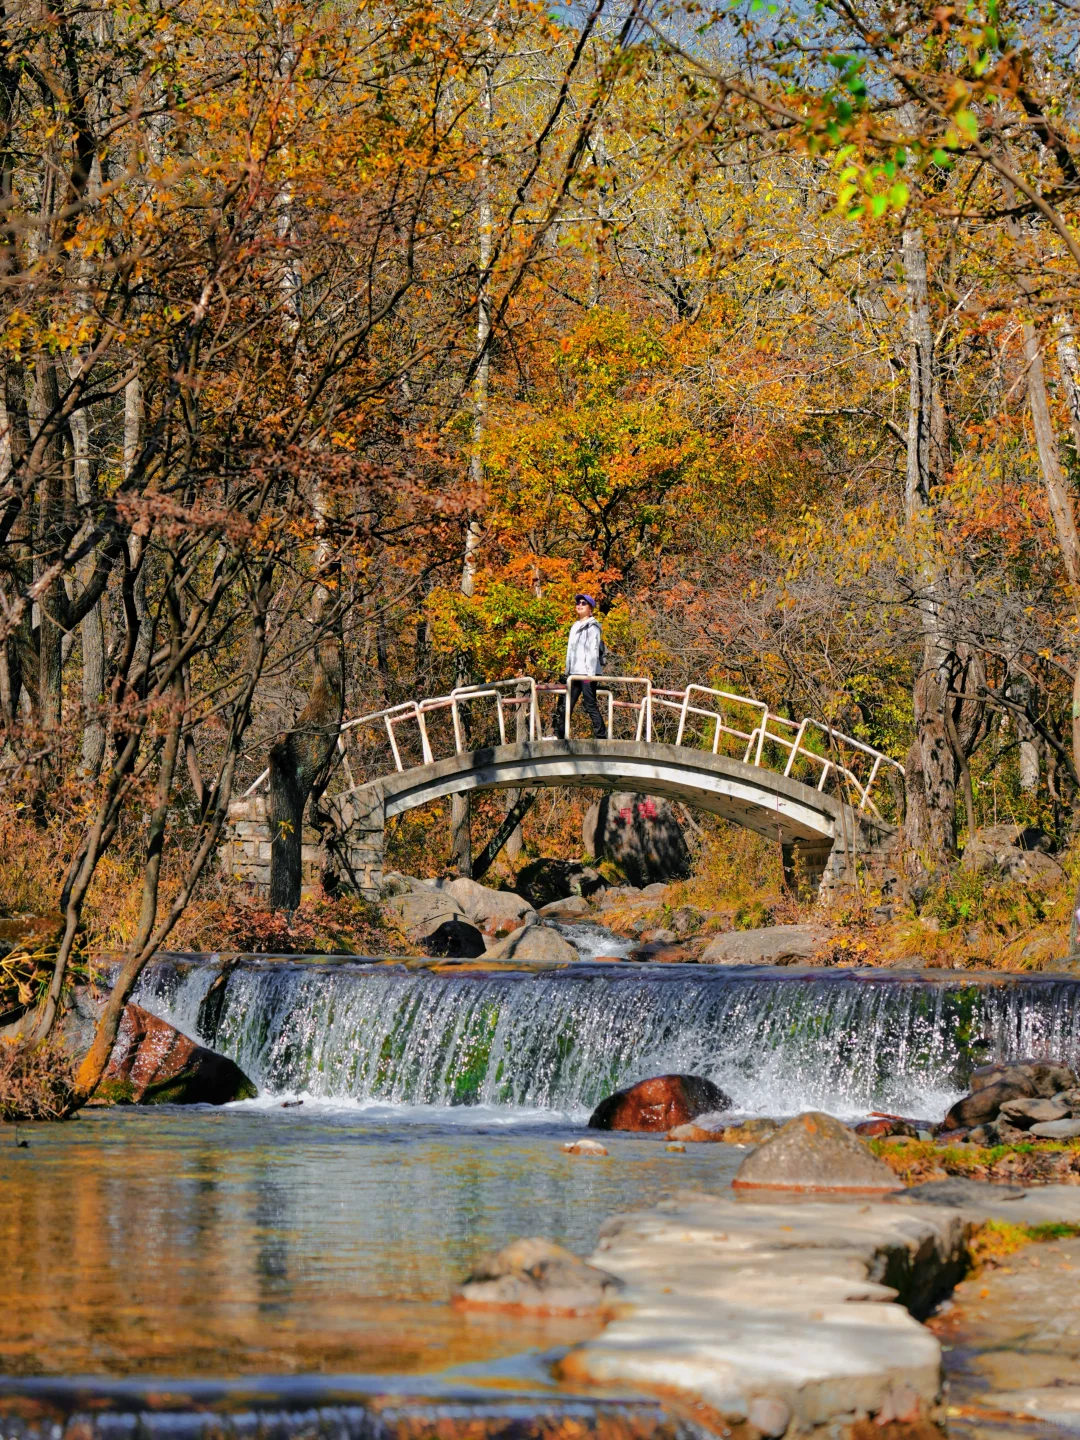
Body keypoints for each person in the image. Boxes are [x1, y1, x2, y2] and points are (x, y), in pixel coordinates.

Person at [553, 593, 607, 739]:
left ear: (591, 609)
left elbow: (593, 651)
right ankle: (559, 735)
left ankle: (601, 736)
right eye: (578, 602)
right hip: (574, 673)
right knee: (566, 704)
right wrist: (567, 670)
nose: (580, 605)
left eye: (584, 603)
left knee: (589, 704)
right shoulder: (575, 626)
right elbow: (570, 651)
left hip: (587, 674)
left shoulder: (593, 627)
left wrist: (590, 675)